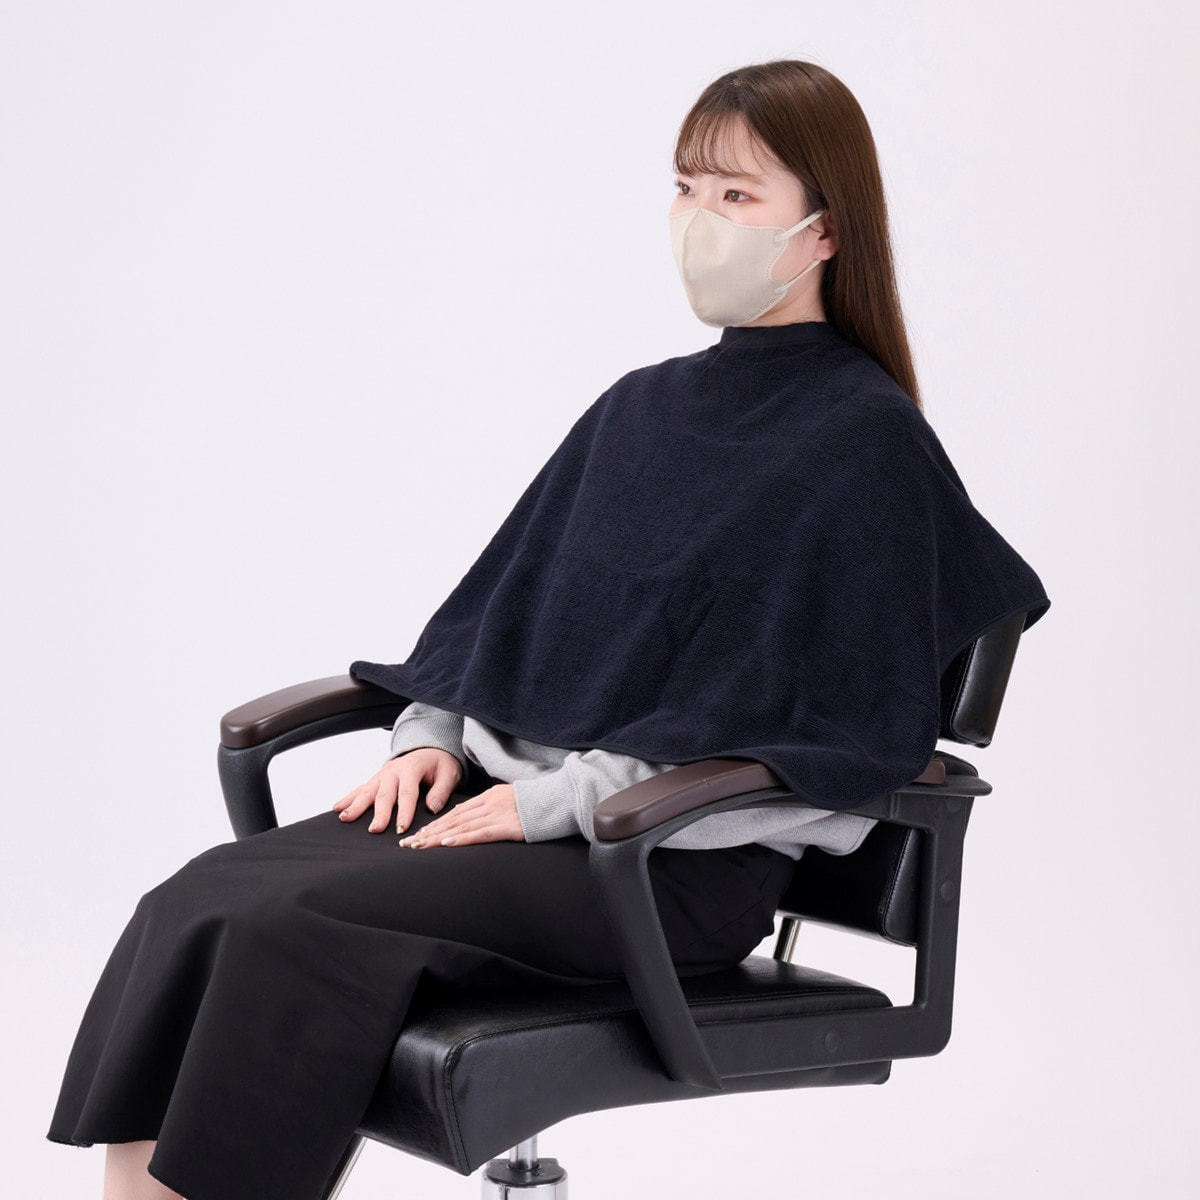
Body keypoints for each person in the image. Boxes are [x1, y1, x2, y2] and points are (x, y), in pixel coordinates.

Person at [46, 59, 1048, 1200]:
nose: (701, 221)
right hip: (514, 816)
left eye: (739, 196)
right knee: (197, 901)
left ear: (823, 233)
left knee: (291, 928)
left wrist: (557, 803)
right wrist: (428, 734)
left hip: (659, 863)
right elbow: (505, 615)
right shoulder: (641, 408)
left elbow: (835, 730)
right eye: (688, 188)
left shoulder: (866, 444)